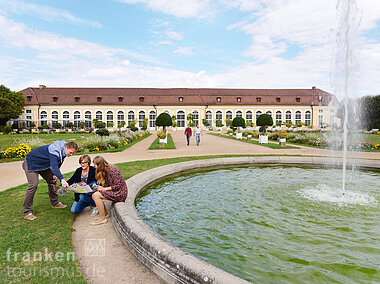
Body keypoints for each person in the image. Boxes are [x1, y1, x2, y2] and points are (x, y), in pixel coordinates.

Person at [22, 140, 79, 220]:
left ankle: (54, 203)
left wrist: (55, 174)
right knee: (33, 185)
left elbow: (59, 162)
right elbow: (54, 166)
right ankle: (27, 212)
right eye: (70, 152)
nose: (71, 155)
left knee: (52, 180)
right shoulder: (54, 150)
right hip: (31, 163)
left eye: (73, 153)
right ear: (66, 147)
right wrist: (62, 179)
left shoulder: (64, 151)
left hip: (43, 165)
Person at [91, 156, 128, 226]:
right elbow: (108, 184)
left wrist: (104, 189)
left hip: (120, 192)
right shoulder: (105, 170)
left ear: (99, 165)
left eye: (95, 165)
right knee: (95, 194)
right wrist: (101, 187)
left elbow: (118, 185)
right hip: (115, 191)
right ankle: (105, 213)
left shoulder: (112, 170)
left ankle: (102, 218)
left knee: (96, 196)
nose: (94, 167)